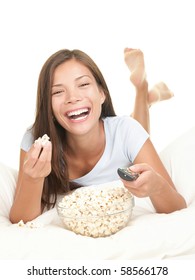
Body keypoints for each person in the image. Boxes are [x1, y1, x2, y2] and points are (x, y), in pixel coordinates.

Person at [9, 48, 186, 224]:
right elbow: (20, 219)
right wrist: (33, 179)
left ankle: (142, 89)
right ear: (48, 105)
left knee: (135, 129)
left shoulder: (125, 130)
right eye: (57, 92)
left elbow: (178, 207)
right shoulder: (35, 140)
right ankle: (146, 96)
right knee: (134, 130)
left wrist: (158, 187)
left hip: (126, 130)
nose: (73, 97)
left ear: (102, 94)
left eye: (83, 84)